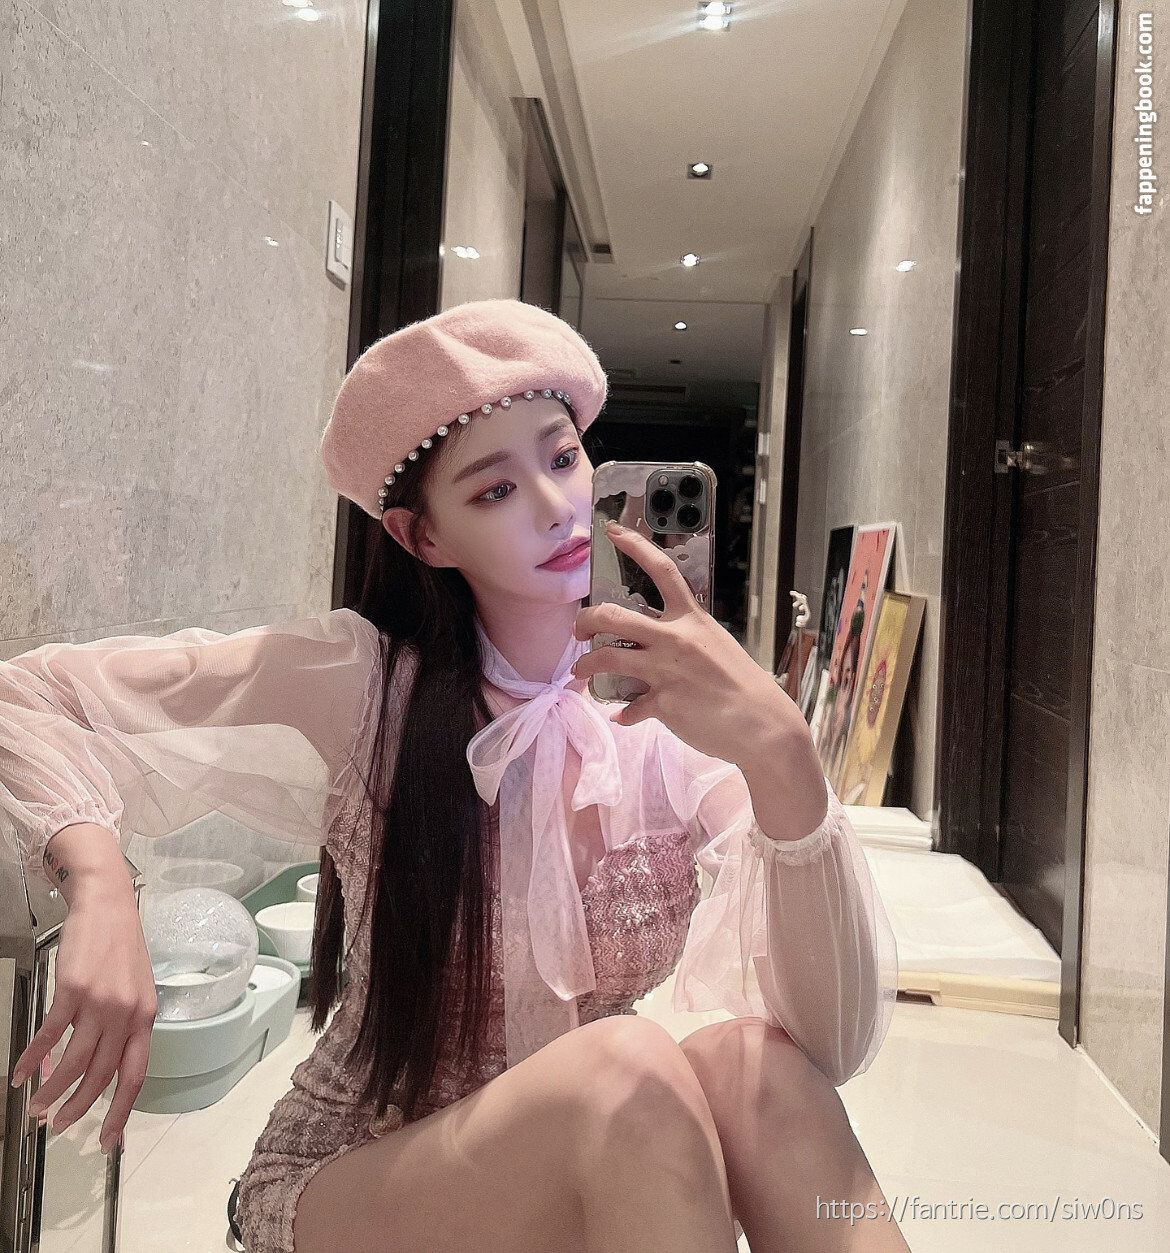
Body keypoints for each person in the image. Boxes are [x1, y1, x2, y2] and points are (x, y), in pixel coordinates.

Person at [1, 299, 905, 1253]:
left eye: (564, 459)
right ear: (422, 537)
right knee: (628, 1067)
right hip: (364, 1173)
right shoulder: (366, 686)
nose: (556, 506)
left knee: (758, 1070)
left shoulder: (669, 713)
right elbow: (29, 696)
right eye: (495, 489)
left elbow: (832, 1046)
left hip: (589, 1162)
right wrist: (98, 878)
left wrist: (783, 754)